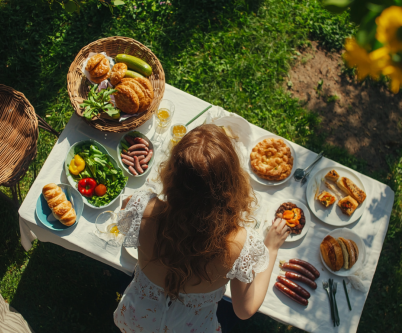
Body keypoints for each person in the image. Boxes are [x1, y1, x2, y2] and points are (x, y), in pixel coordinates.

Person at [114, 124, 290, 332]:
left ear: (171, 175)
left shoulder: (141, 209)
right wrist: (271, 249)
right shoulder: (239, 246)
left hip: (137, 318)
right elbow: (245, 309)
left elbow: (125, 207)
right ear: (231, 186)